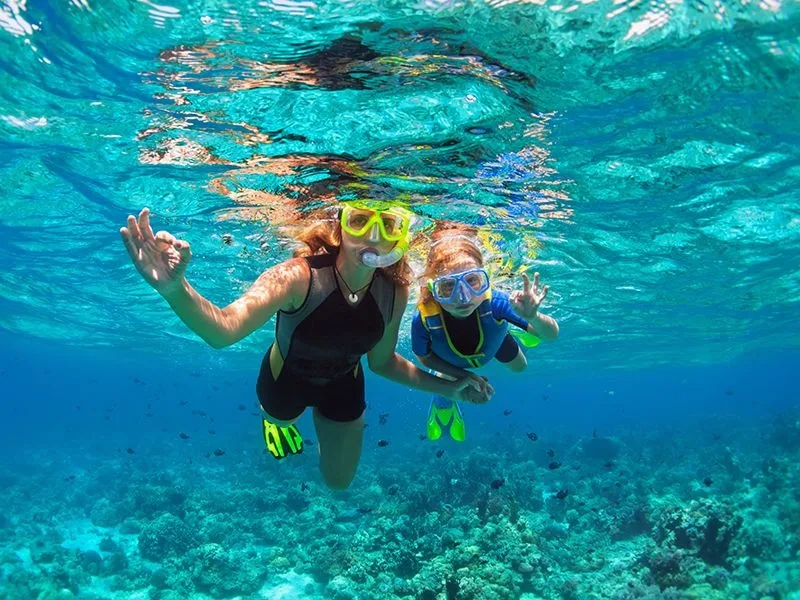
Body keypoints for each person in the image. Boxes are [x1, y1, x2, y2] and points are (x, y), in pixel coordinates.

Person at [119, 203, 488, 490]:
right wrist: (174, 290)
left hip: (345, 383)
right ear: (341, 226)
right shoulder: (297, 276)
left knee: (339, 483)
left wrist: (451, 387)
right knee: (281, 418)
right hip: (285, 380)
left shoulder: (396, 291)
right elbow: (224, 331)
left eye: (388, 225)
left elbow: (382, 363)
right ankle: (275, 420)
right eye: (360, 221)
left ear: (399, 238)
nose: (373, 236)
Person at [412, 228, 559, 442]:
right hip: (450, 361)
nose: (463, 298)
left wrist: (534, 317)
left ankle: (519, 325)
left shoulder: (497, 302)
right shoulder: (424, 318)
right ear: (432, 288)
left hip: (494, 342)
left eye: (472, 281)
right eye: (447, 287)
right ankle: (443, 406)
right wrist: (464, 377)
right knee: (445, 382)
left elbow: (551, 335)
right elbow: (424, 358)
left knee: (521, 367)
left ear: (485, 278)